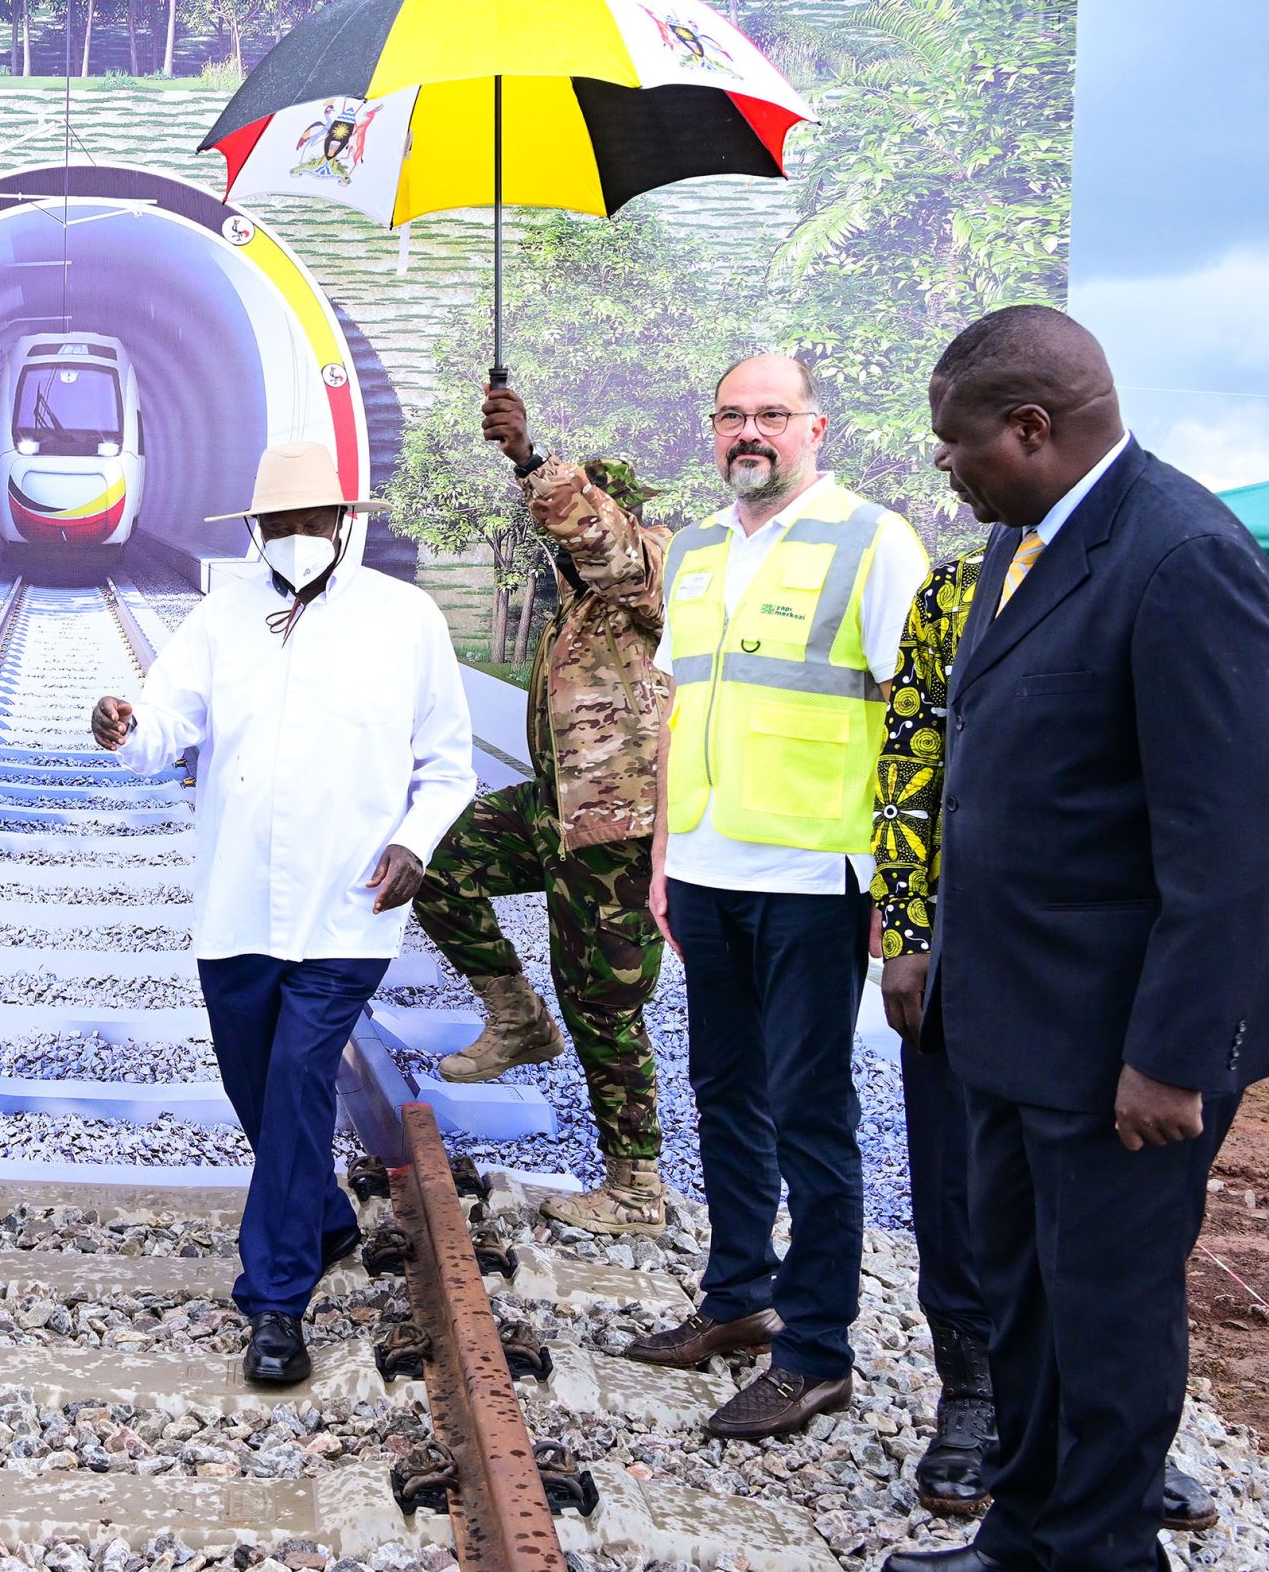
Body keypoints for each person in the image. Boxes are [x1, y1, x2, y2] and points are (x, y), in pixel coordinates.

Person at [880, 307, 1269, 1572]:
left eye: (957, 443)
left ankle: (1102, 1550)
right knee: (1022, 1295)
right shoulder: (1023, 546)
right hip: (1015, 1024)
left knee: (1107, 1313)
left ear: (1032, 427)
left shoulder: (1183, 557)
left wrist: (1173, 1057)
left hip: (1124, 1042)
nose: (945, 466)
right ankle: (1026, 1532)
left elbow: (1231, 845)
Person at [92, 440, 476, 1388]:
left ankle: (274, 1302)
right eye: (281, 524)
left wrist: (416, 841)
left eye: (314, 522)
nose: (297, 538)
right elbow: (167, 727)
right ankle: (327, 1218)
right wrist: (125, 728)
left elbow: (449, 760)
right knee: (253, 1084)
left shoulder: (405, 619)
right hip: (235, 906)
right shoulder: (220, 618)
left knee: (299, 1075)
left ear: (346, 524)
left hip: (349, 908)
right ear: (256, 530)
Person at [872, 537, 1219, 1536]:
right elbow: (911, 753)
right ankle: (977, 1396)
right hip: (964, 955)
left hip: (1104, 961)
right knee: (961, 1184)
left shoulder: (1148, 582)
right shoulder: (952, 593)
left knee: (1113, 1213)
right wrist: (905, 932)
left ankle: (1113, 1439)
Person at [624, 354, 929, 1439]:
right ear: (712, 432)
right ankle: (737, 1298)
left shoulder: (872, 540)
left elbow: (914, 722)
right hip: (707, 871)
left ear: (815, 428)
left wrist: (901, 890)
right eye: (730, 416)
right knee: (722, 1094)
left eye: (770, 415)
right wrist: (663, 857)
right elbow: (678, 710)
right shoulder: (698, 547)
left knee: (810, 1113)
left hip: (812, 872)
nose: (748, 432)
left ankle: (815, 1352)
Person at [413, 384, 672, 1235]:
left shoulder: (652, 576)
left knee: (602, 1002)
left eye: (581, 522)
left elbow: (609, 546)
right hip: (559, 809)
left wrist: (527, 458)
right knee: (437, 861)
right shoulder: (578, 606)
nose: (564, 542)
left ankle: (634, 1186)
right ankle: (517, 1017)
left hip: (621, 827)